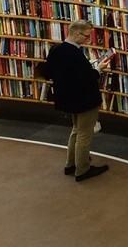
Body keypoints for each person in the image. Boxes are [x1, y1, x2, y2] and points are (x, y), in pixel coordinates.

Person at [36, 19, 112, 181]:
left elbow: (51, 73)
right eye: (86, 36)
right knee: (84, 134)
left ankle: (70, 164)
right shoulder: (75, 54)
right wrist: (98, 69)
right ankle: (82, 170)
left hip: (68, 99)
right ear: (77, 34)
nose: (88, 40)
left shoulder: (56, 49)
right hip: (84, 100)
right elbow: (85, 78)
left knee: (76, 131)